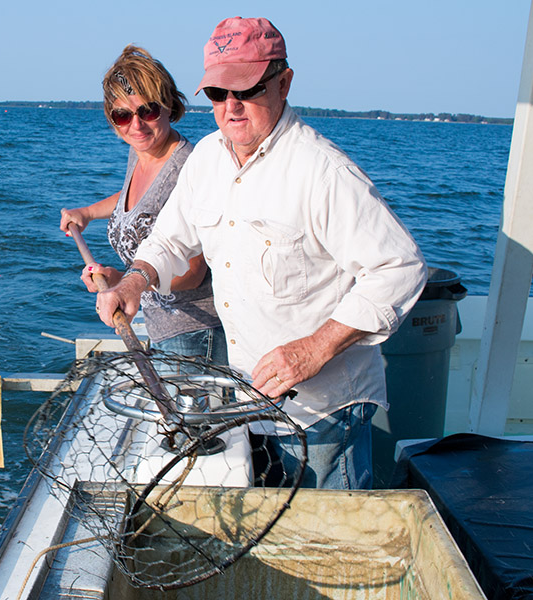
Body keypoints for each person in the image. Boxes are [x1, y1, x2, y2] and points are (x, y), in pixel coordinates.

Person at [94, 18, 427, 489]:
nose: (231, 107)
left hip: (323, 410)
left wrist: (315, 349)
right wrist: (134, 279)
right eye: (216, 93)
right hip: (248, 401)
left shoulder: (322, 171)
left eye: (246, 90)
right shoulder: (207, 158)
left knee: (332, 541)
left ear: (283, 83)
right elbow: (169, 239)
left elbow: (400, 268)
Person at [60, 45, 226, 365]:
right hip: (161, 327)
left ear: (169, 106)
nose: (136, 125)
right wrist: (88, 213)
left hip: (194, 334)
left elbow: (192, 273)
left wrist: (126, 283)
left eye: (147, 111)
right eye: (123, 115)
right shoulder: (140, 153)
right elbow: (134, 199)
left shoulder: (187, 167)